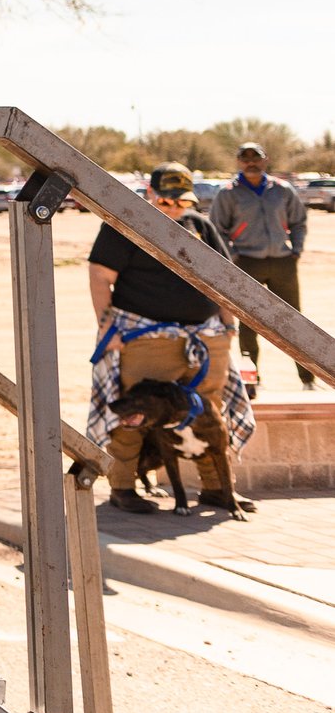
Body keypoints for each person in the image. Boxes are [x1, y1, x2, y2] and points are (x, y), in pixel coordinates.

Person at [88, 164, 254, 514]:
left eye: (182, 201)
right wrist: (107, 328)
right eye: (166, 200)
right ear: (151, 192)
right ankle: (122, 487)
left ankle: (217, 490)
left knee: (210, 413)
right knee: (134, 411)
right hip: (146, 337)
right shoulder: (126, 223)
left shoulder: (200, 224)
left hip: (205, 337)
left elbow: (225, 280)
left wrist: (228, 327)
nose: (174, 207)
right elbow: (100, 276)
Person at [209, 140, 314, 391]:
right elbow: (216, 229)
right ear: (239, 163)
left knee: (294, 321)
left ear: (265, 160)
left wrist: (296, 250)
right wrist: (232, 257)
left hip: (282, 263)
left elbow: (299, 221)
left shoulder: (282, 190)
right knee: (249, 323)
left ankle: (308, 379)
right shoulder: (228, 193)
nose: (251, 163)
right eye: (245, 159)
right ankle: (251, 381)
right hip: (246, 264)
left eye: (255, 158)